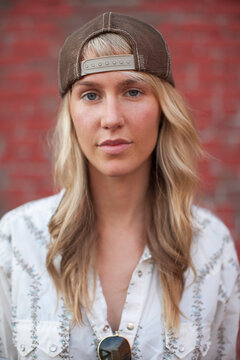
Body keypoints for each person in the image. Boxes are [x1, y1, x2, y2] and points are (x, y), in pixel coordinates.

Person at [0, 12, 239, 360]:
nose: (111, 118)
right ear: (70, 114)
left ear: (163, 109)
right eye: (91, 95)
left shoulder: (210, 246)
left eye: (132, 91)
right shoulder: (16, 241)